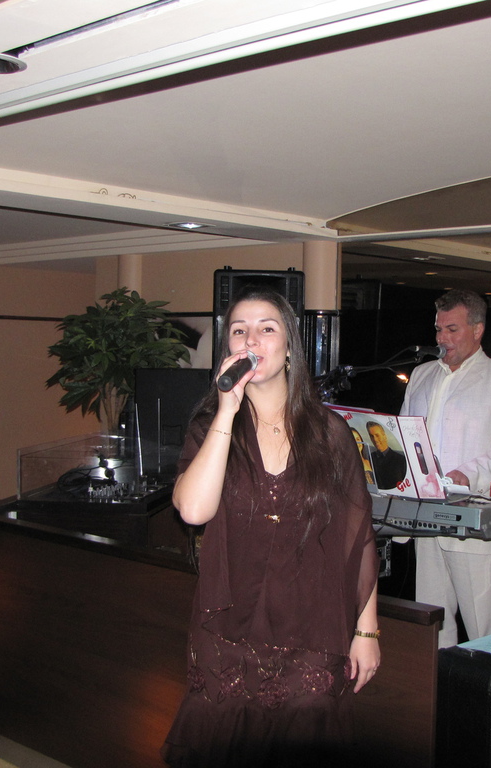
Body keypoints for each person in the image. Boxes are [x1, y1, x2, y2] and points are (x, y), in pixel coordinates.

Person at [162, 286, 381, 767]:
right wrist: (226, 410)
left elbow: (358, 535)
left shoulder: (330, 433)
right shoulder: (210, 427)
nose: (251, 340)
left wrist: (366, 632)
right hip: (228, 628)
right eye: (239, 331)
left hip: (313, 627)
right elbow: (193, 510)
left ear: (288, 348)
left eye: (266, 328)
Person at [400, 289, 491, 647]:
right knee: (433, 625)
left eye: (452, 329)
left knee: (483, 628)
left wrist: (467, 474)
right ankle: (439, 683)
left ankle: (487, 684)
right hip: (426, 517)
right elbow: (406, 436)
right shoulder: (421, 374)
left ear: (477, 329)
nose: (442, 338)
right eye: (438, 329)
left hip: (474, 520)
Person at [365, 420, 408, 489]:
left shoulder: (401, 460)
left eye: (377, 435)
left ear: (384, 436)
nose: (375, 439)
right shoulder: (369, 458)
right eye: (372, 436)